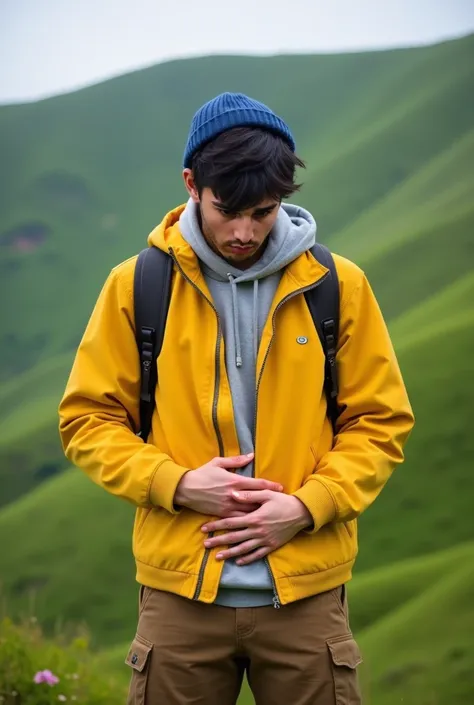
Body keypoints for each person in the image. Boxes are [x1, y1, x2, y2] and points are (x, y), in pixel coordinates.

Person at [59, 92, 414, 705]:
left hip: (306, 596)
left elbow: (380, 422)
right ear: (192, 184)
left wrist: (306, 507)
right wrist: (176, 483)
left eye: (264, 211)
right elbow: (87, 420)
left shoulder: (337, 286)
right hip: (178, 597)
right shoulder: (138, 284)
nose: (246, 231)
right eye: (229, 210)